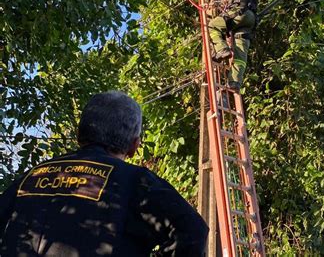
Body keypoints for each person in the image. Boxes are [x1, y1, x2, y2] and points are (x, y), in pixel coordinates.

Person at [0, 91, 208, 256]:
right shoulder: (136, 182)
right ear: (134, 145)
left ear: (79, 134)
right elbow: (193, 231)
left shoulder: (33, 177)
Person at [209, 0, 265, 91]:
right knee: (241, 52)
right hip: (250, 19)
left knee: (213, 26)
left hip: (238, 13)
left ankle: (221, 49)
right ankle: (235, 82)